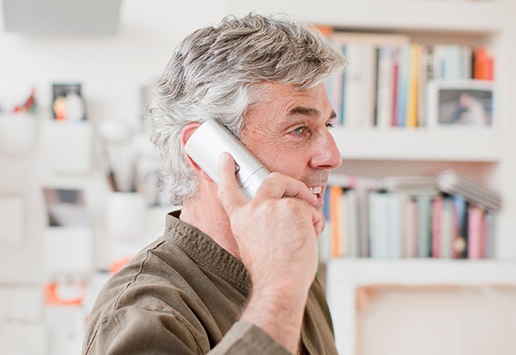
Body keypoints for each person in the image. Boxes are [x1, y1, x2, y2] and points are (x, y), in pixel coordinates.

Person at [83, 13, 346, 355]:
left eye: (328, 126)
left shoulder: (296, 277)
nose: (332, 156)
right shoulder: (145, 310)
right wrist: (279, 290)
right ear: (206, 150)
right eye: (299, 130)